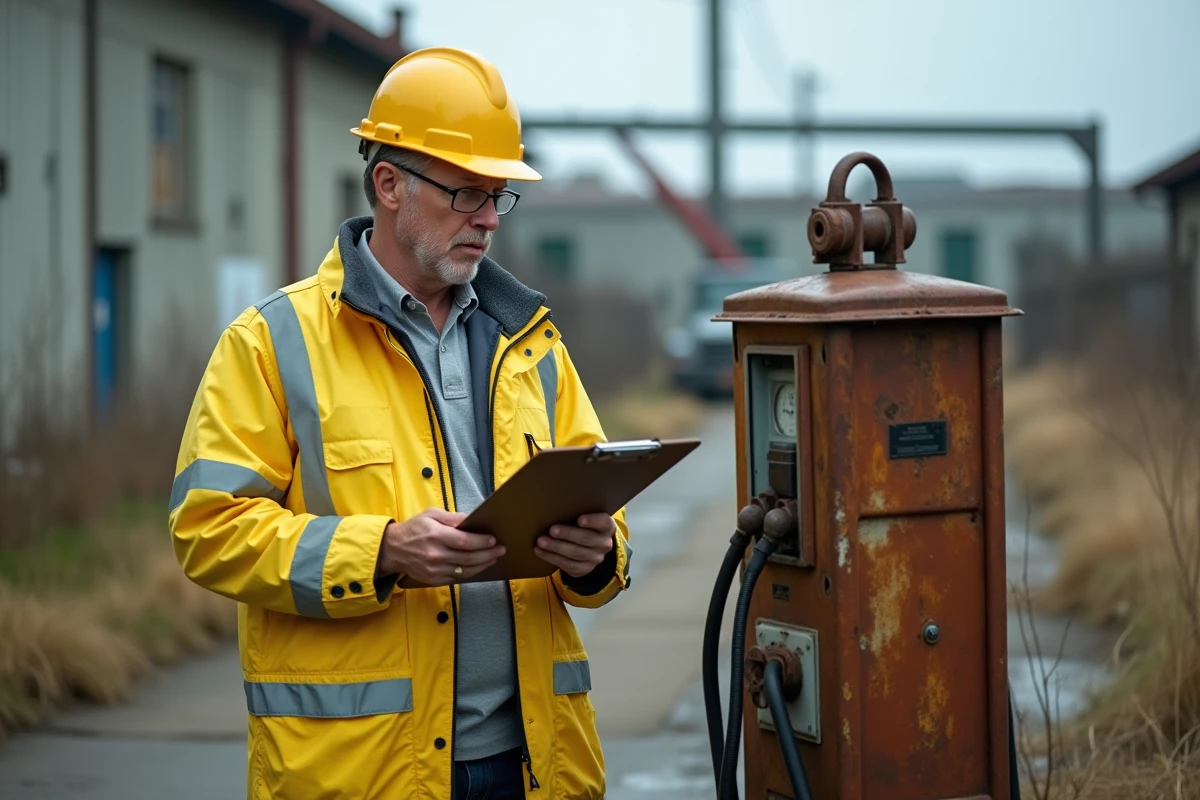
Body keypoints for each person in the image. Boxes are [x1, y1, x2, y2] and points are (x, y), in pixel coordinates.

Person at [168, 46, 631, 800]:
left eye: (498, 197)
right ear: (389, 184)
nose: (487, 218)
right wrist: (380, 551)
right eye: (465, 194)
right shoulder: (272, 342)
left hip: (536, 766)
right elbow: (207, 529)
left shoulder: (532, 339)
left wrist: (595, 556)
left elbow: (603, 518)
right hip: (362, 773)